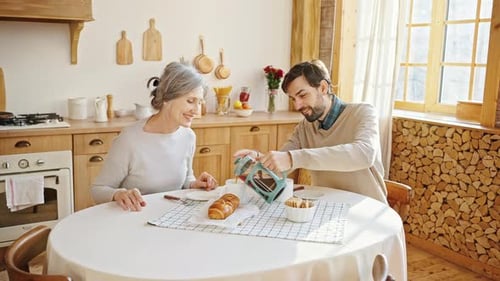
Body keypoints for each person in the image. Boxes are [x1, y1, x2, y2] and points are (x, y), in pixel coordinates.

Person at [234, 60, 387, 203]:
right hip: (327, 209)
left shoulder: (363, 113)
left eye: (302, 95)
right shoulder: (304, 128)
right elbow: (282, 165)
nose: (298, 105)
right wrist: (261, 160)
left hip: (367, 210)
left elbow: (364, 154)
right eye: (293, 99)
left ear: (323, 88)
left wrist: (293, 158)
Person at [91, 62, 218, 211]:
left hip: (170, 218)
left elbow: (185, 180)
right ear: (167, 98)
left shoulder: (188, 136)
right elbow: (98, 190)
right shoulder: (130, 139)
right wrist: (118, 194)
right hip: (132, 219)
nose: (196, 111)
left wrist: (194, 184)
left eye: (200, 103)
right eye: (190, 101)